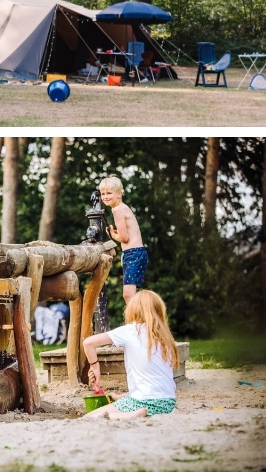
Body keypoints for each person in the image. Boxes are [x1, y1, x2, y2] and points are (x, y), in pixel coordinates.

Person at [82, 289, 179, 420]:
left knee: (90, 417)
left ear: (132, 309)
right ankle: (127, 404)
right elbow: (154, 384)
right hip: (167, 403)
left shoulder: (131, 330)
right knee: (126, 399)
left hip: (143, 402)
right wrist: (121, 396)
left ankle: (133, 414)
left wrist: (94, 366)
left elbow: (88, 343)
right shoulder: (165, 336)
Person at [99, 175, 146, 303]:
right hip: (134, 253)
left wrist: (112, 235)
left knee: (128, 295)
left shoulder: (117, 210)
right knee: (131, 294)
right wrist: (115, 232)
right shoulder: (122, 208)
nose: (105, 196)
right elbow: (126, 233)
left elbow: (124, 238)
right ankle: (139, 319)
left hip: (133, 253)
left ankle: (137, 321)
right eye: (103, 193)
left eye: (109, 193)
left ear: (119, 193)